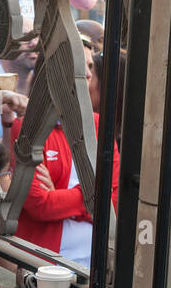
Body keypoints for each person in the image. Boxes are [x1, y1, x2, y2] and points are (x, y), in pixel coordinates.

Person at [10, 40, 120, 268]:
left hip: (96, 265)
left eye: (90, 66)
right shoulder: (28, 126)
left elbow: (115, 203)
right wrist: (94, 194)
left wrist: (63, 196)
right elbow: (40, 205)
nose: (89, 75)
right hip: (45, 264)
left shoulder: (100, 125)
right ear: (55, 72)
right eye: (81, 67)